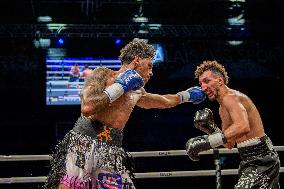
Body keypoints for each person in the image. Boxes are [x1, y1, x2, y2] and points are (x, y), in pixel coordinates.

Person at [45, 39, 206, 189]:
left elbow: (163, 101)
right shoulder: (102, 74)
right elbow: (87, 107)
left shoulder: (137, 92)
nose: (151, 72)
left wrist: (186, 96)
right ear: (137, 61)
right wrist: (120, 86)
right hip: (83, 143)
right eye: (149, 65)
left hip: (110, 150)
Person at [185, 60, 280, 188]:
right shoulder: (222, 107)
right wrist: (211, 128)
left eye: (207, 81)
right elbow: (229, 143)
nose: (203, 87)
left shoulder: (231, 97)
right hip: (249, 160)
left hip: (262, 160)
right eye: (201, 83)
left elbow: (243, 126)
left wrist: (207, 142)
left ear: (220, 80)